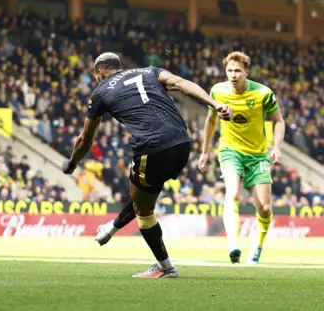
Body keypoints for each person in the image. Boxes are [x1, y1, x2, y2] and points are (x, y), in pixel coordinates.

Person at [61, 52, 232, 278]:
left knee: (144, 210)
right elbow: (180, 83)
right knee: (143, 197)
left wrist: (72, 162)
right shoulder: (148, 71)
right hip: (182, 143)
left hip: (152, 146)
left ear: (100, 71)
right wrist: (215, 103)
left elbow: (85, 139)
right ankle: (110, 229)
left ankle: (165, 267)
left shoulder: (101, 91)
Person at [199, 51, 284, 265]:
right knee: (233, 193)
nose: (233, 75)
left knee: (264, 207)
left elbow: (279, 121)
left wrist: (278, 148)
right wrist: (204, 151)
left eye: (238, 70)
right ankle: (233, 244)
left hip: (257, 155)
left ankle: (257, 246)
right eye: (229, 70)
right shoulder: (218, 91)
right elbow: (210, 122)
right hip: (230, 150)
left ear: (247, 71)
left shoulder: (263, 94)